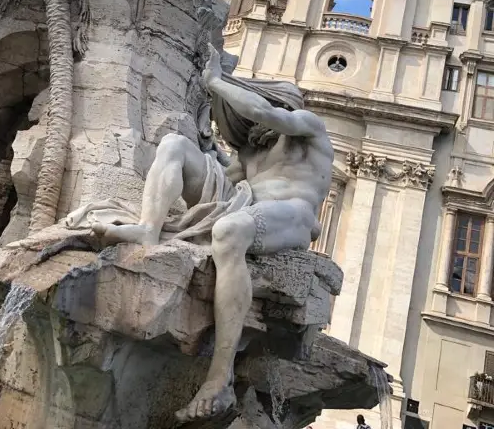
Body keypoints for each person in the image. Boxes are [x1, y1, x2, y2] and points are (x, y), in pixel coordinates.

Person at [92, 45, 334, 423]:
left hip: (295, 216)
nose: (251, 127)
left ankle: (219, 377)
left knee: (228, 229)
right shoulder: (252, 154)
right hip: (247, 204)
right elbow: (221, 172)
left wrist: (217, 82)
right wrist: (207, 139)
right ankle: (147, 229)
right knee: (175, 145)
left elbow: (262, 112)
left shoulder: (306, 126)